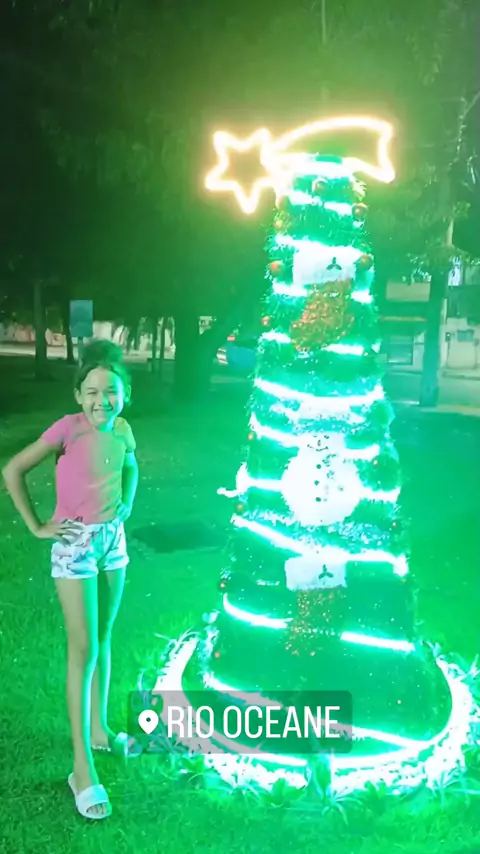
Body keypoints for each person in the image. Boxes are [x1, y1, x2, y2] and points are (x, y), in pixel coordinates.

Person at [2, 339, 139, 820]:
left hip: (113, 542)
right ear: (79, 395)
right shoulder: (67, 429)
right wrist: (38, 526)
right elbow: (13, 469)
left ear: (125, 395)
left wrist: (128, 501)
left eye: (112, 392)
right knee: (82, 649)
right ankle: (81, 769)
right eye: (93, 392)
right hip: (76, 544)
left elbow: (130, 464)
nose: (103, 401)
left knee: (103, 639)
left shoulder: (123, 430)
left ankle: (99, 733)